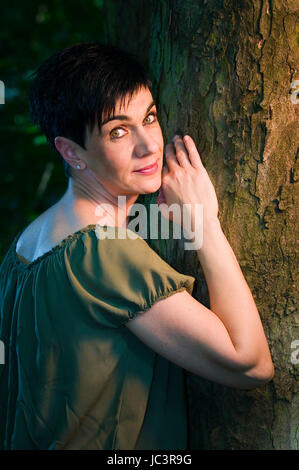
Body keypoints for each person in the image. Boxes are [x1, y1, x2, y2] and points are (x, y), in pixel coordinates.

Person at [0, 42, 274, 451]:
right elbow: (250, 364)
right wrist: (205, 225)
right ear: (71, 151)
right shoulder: (103, 251)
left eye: (149, 117)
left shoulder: (22, 247)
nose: (148, 146)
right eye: (118, 131)